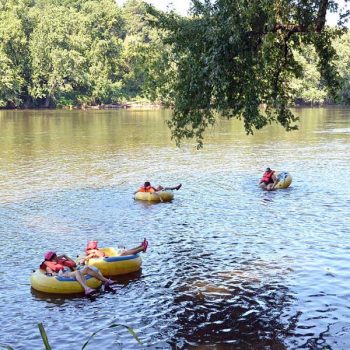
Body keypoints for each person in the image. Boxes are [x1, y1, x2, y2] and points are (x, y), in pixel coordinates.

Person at [40, 251, 114, 295]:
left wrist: (65, 256)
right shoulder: (49, 266)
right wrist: (57, 274)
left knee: (87, 269)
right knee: (77, 272)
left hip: (70, 272)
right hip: (64, 275)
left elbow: (73, 263)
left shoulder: (60, 261)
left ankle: (106, 280)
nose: (57, 256)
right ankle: (87, 289)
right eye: (56, 255)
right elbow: (51, 274)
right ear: (53, 258)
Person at [81, 239, 148, 263]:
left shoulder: (95, 250)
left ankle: (141, 246)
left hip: (111, 257)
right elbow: (90, 256)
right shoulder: (92, 252)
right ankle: (142, 248)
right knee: (124, 253)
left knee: (124, 252)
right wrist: (84, 260)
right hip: (109, 259)